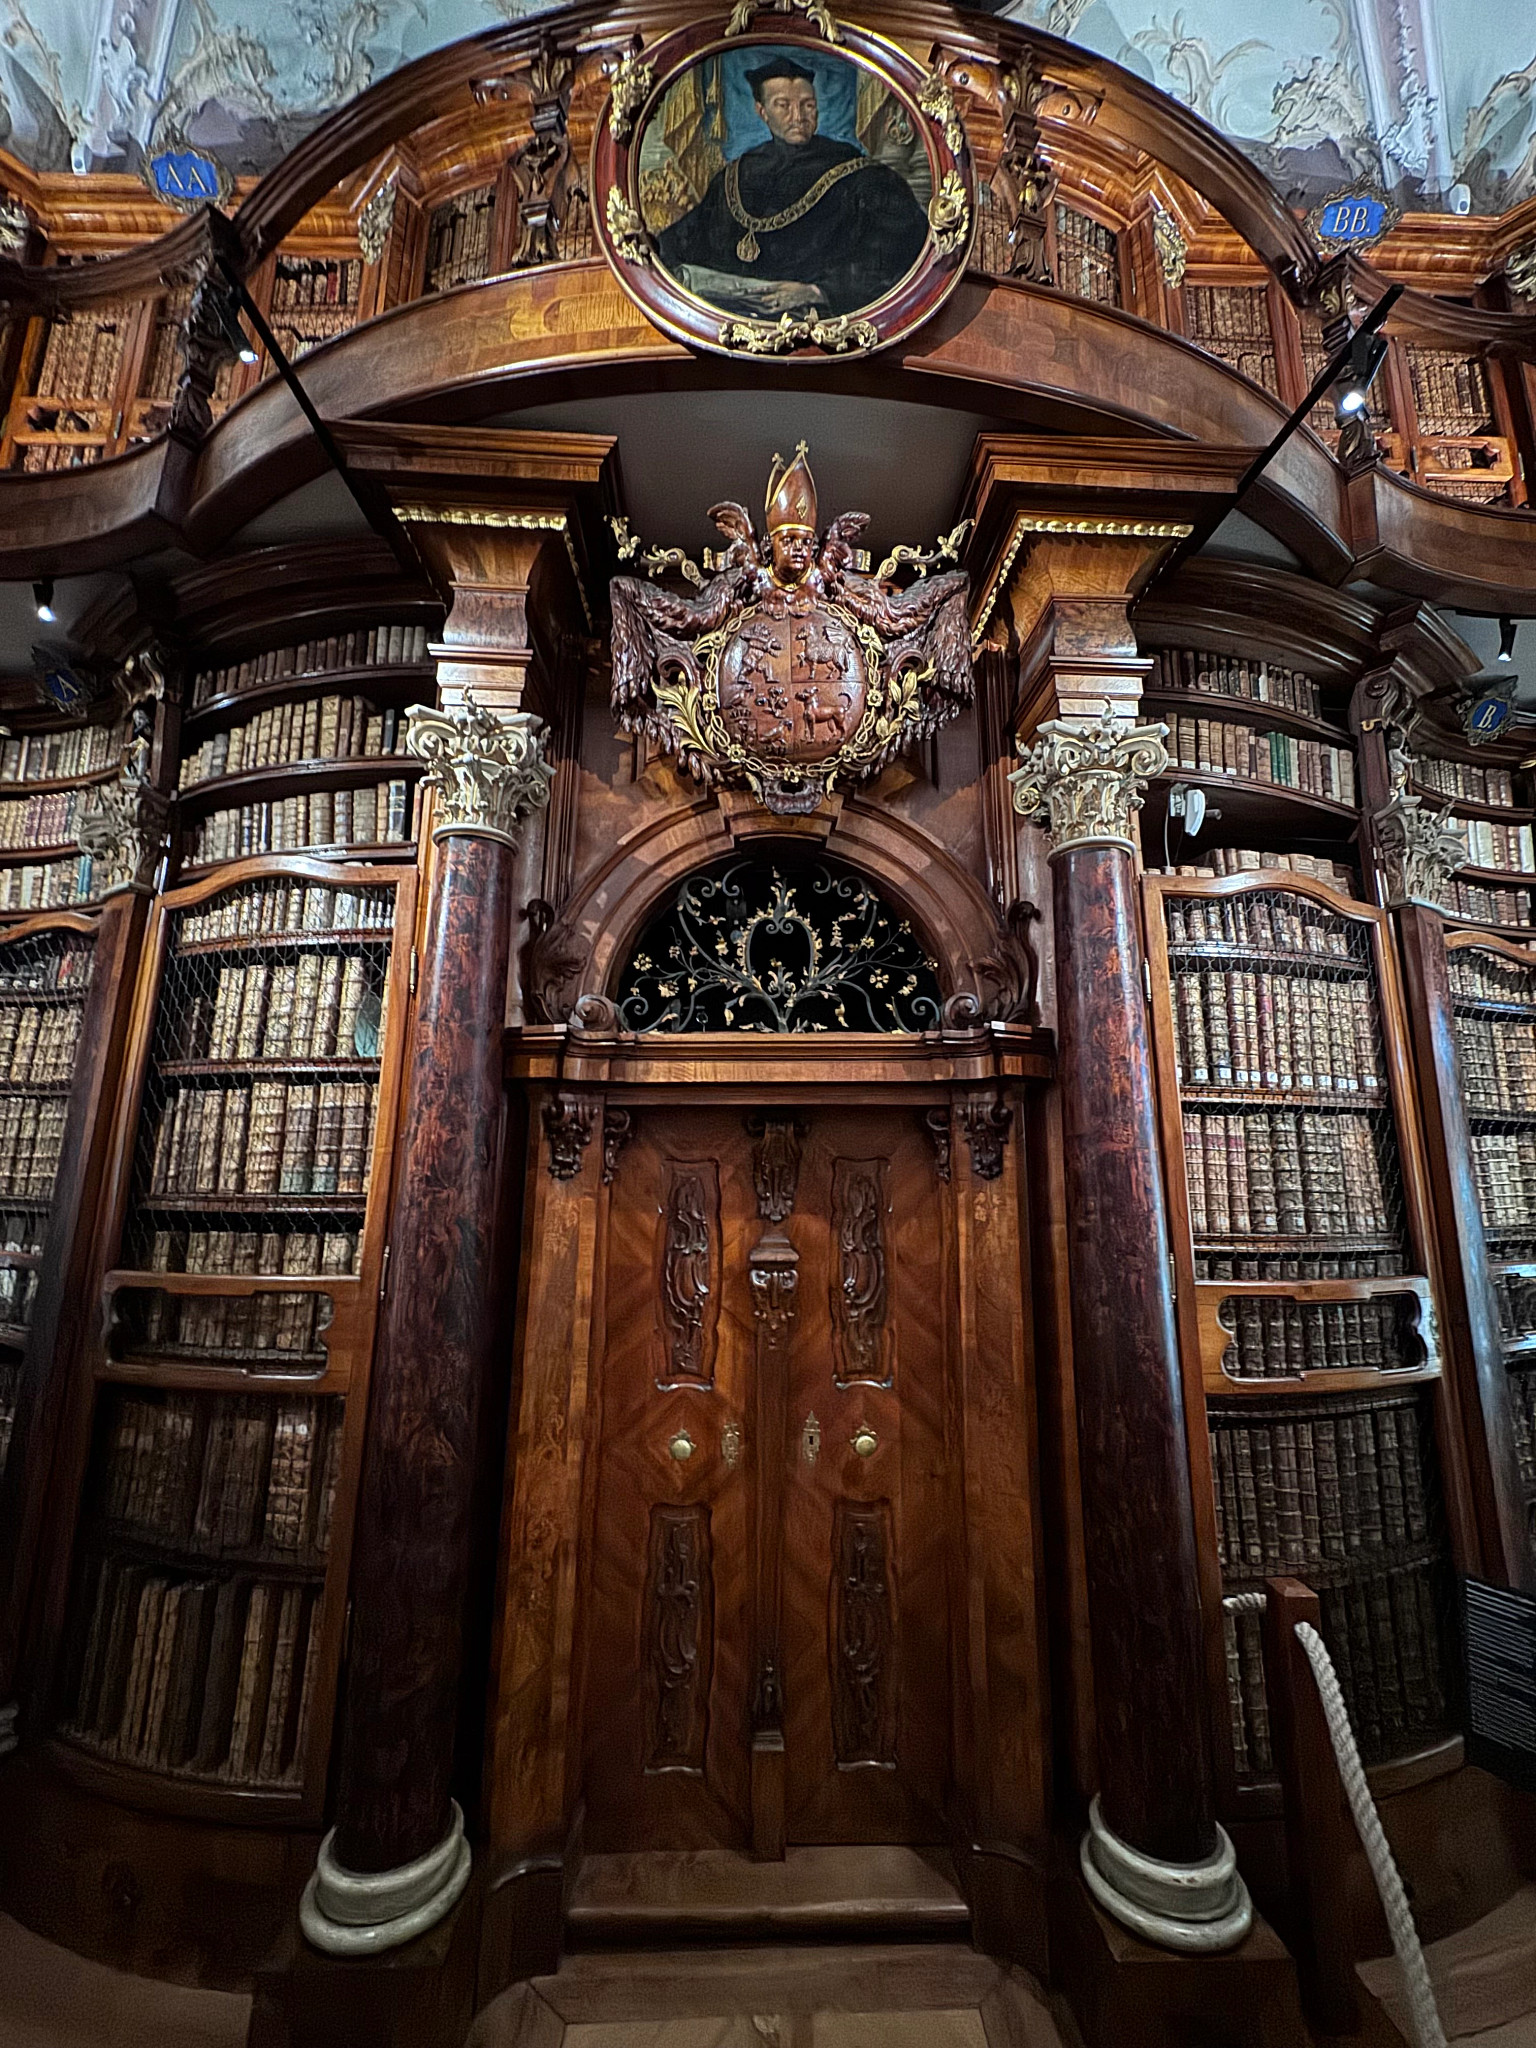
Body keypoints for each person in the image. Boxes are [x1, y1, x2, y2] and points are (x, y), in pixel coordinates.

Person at [656, 54, 929, 318]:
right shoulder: (735, 175)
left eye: (807, 105)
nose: (798, 116)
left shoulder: (862, 177)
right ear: (762, 111)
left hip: (816, 320)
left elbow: (899, 249)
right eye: (783, 105)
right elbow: (687, 237)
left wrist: (818, 291)